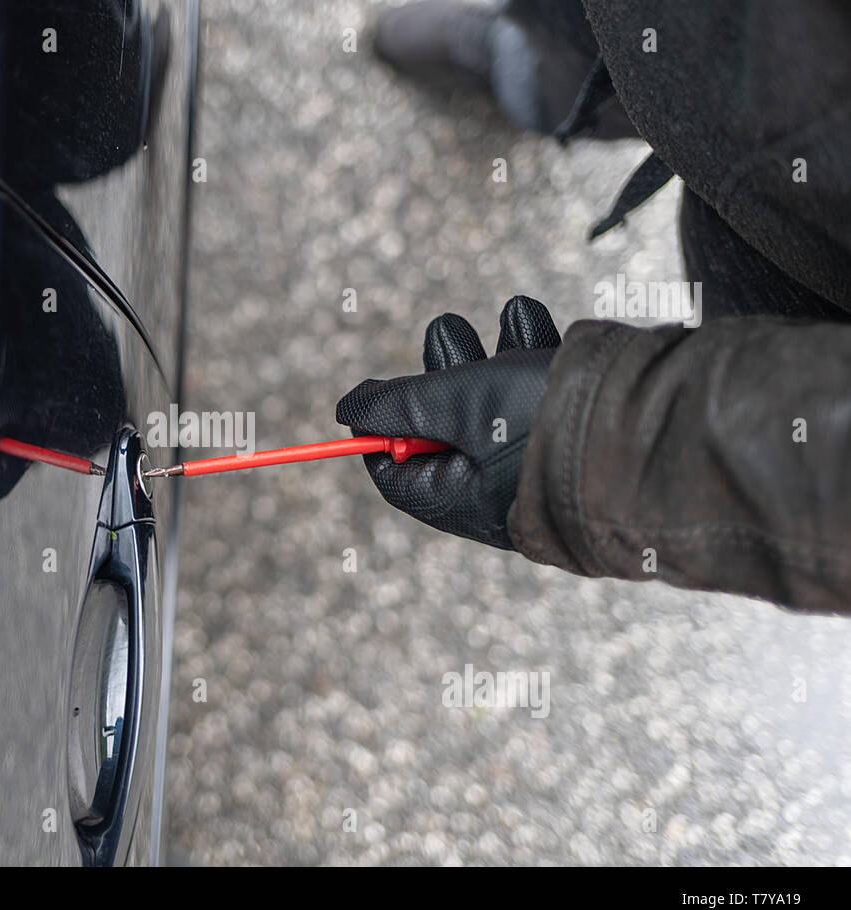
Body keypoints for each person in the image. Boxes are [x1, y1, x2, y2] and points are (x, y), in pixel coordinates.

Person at [337, 0, 851, 613]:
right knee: (595, 41)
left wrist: (610, 440)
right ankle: (544, 65)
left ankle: (530, 77)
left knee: (742, 239)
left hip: (810, 254)